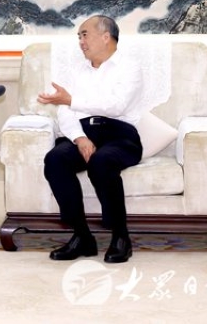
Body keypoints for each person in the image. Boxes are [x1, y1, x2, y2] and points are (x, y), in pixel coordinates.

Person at [37, 15, 143, 264]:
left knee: (101, 161)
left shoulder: (129, 68)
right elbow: (64, 111)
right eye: (79, 37)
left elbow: (116, 106)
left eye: (84, 35)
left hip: (120, 135)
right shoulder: (76, 71)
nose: (81, 41)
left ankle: (121, 237)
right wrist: (79, 137)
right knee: (55, 159)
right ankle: (82, 236)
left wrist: (72, 100)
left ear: (106, 37)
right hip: (83, 133)